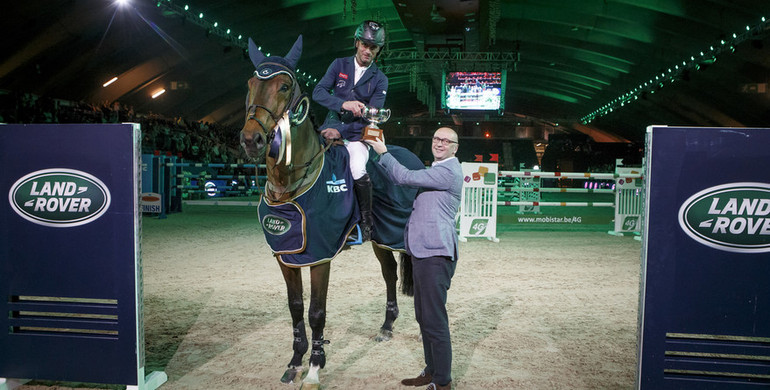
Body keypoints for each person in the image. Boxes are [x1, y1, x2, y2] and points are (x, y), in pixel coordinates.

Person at [365, 127, 462, 390]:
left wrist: (382, 151)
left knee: (435, 321)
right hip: (422, 252)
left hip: (435, 254)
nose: (440, 143)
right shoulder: (437, 169)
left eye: (446, 141)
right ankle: (431, 371)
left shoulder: (447, 170)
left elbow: (404, 176)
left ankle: (443, 382)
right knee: (424, 317)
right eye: (436, 139)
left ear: (455, 147)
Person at [312, 20, 388, 241]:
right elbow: (318, 92)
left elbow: (373, 115)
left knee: (356, 168)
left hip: (357, 136)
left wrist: (343, 133)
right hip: (329, 128)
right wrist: (342, 104)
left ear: (378, 50)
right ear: (357, 43)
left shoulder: (380, 79)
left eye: (373, 47)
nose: (367, 50)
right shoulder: (338, 65)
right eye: (364, 44)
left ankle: (365, 224)